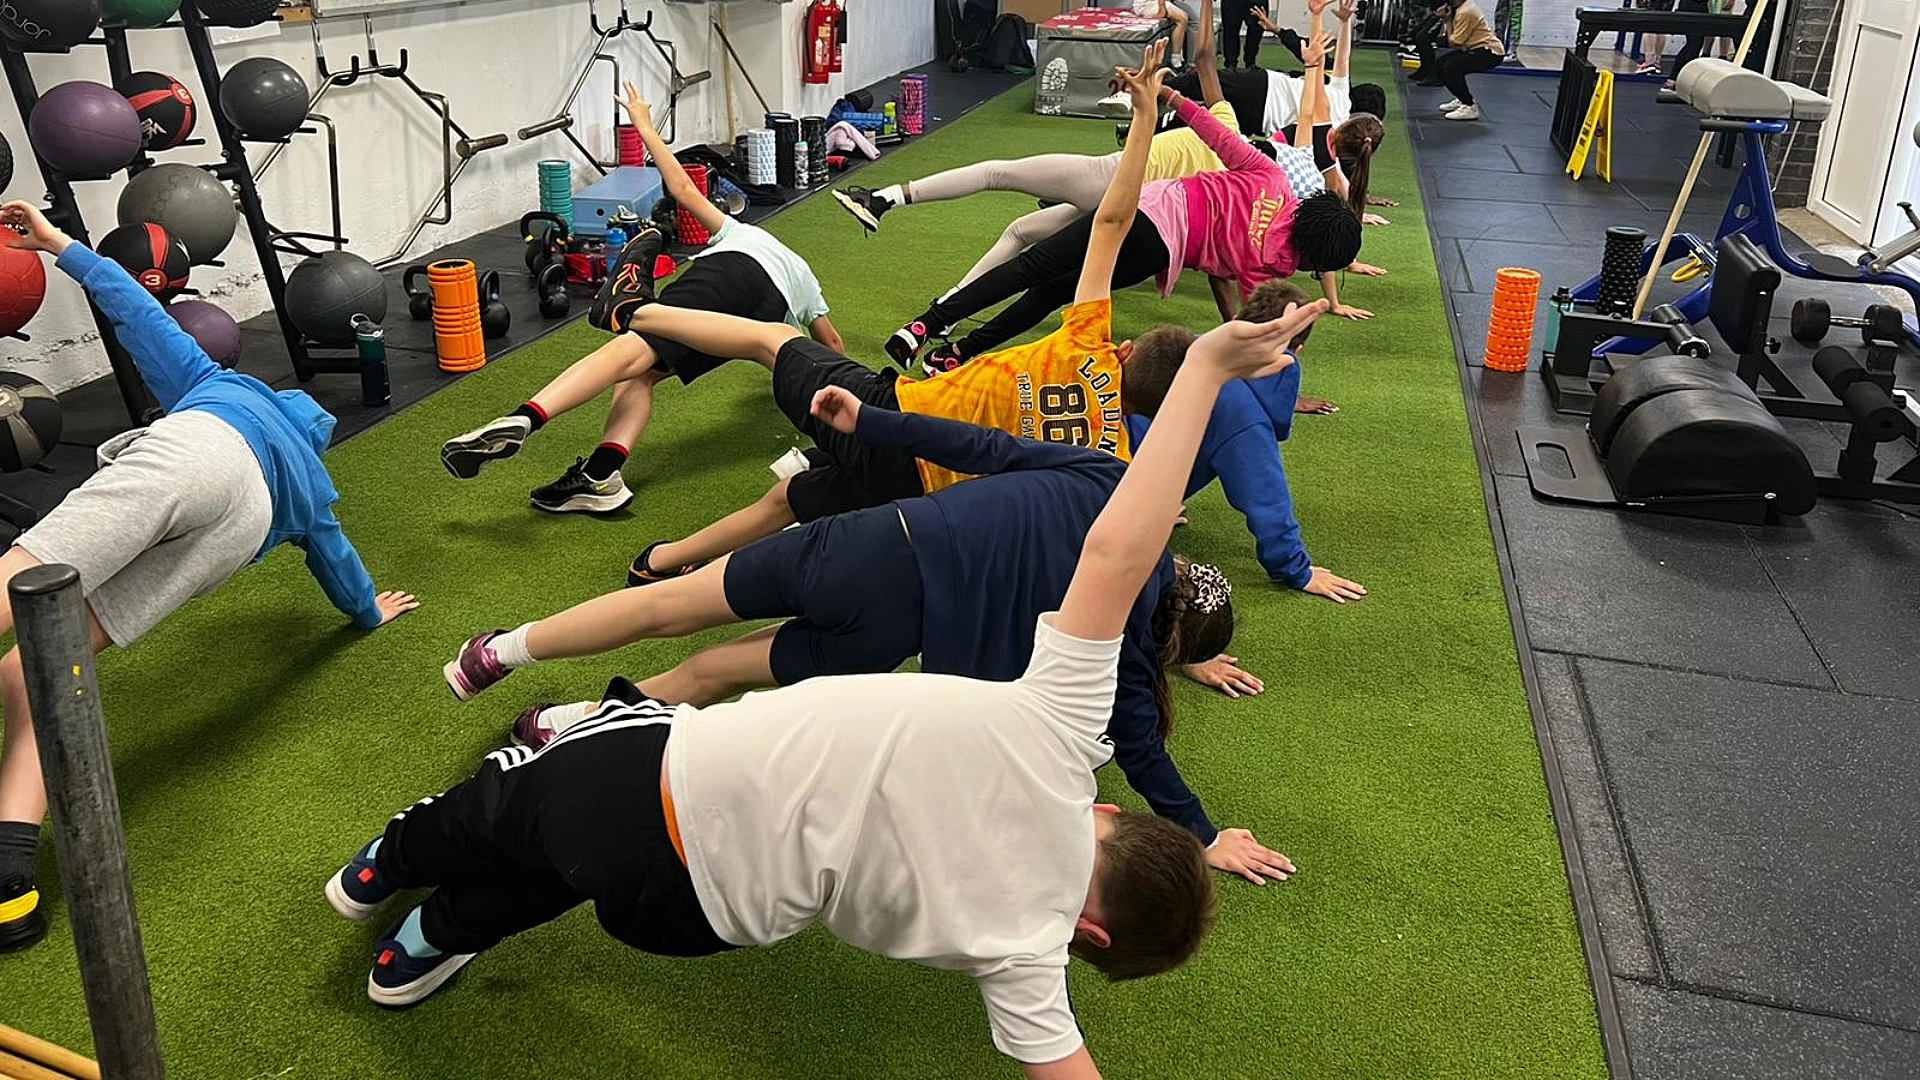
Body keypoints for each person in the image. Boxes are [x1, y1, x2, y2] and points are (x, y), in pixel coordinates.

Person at [323, 258, 1324, 1080]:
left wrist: (1205, 371)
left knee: (511, 809)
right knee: (566, 855)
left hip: (683, 751)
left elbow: (1115, 547)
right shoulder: (1024, 954)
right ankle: (444, 927)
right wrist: (1202, 826)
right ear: (1089, 942)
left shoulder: (1060, 733)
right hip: (699, 915)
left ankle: (409, 849)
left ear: (1107, 813)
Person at [442, 394, 1295, 880]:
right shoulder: (1120, 655)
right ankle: (565, 727)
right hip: (887, 636)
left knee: (668, 607)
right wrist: (1205, 836)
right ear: (1171, 644)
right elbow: (1144, 754)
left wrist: (868, 420)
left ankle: (499, 652)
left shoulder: (1106, 478)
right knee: (713, 674)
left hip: (867, 548)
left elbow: (977, 445)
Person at [0, 200, 417, 953]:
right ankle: (9, 880)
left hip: (197, 452)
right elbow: (338, 562)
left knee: (15, 583)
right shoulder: (311, 485)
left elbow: (137, 314)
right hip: (241, 524)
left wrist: (62, 244)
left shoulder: (219, 384)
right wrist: (367, 613)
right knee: (39, 663)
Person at [439, 83, 841, 514]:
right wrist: (837, 397)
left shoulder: (742, 234)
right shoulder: (806, 281)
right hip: (757, 320)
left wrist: (645, 125)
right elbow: (831, 345)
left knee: (633, 342)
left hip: (731, 274)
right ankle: (601, 476)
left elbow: (683, 189)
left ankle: (526, 416)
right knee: (641, 372)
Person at [889, 29, 1366, 371]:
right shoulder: (1271, 266)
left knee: (1034, 267)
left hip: (1143, 209)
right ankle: (959, 353)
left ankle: (927, 325)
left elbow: (1218, 135)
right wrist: (1278, 369)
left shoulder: (1274, 181)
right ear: (1311, 257)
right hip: (1153, 249)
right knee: (1053, 292)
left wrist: (1171, 97)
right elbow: (1246, 319)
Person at [833, 0, 1261, 291]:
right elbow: (1218, 265)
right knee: (1020, 232)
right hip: (1128, 210)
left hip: (1109, 179)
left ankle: (885, 199)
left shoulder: (1228, 128)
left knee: (996, 172)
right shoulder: (1235, 184)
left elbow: (1205, 58)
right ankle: (948, 308)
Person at [1125, 279, 1365, 604]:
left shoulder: (1196, 350)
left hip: (1103, 463)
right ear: (1297, 351)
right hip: (1111, 496)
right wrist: (1298, 570)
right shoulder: (1244, 416)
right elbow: (1267, 498)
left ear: (1237, 319)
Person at [1411, 0, 1505, 121]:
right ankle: (1461, 98)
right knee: (1440, 64)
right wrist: (1447, 19)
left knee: (1451, 67)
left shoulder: (1466, 11)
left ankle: (1469, 106)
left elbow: (1455, 43)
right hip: (1474, 48)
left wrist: (1447, 20)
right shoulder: (1460, 8)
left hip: (1490, 53)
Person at [1132, 0, 1191, 67]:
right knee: (1182, 20)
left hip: (1153, 2)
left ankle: (1179, 56)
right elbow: (1162, 12)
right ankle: (1176, 61)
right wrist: (1161, 9)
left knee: (1184, 17)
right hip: (1146, 5)